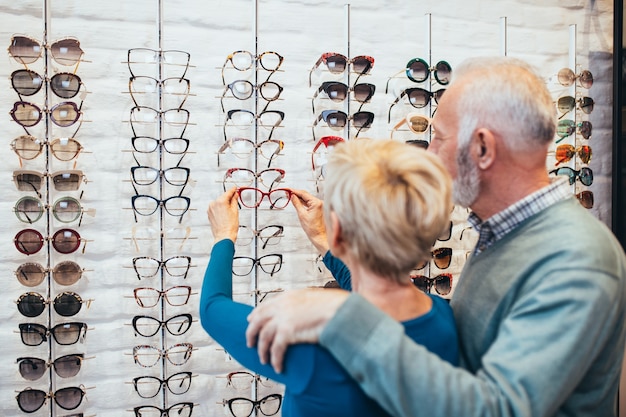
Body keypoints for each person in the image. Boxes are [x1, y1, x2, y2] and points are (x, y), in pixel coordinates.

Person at [245, 56, 626, 417]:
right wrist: (333, 247)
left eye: (439, 138)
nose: (428, 153)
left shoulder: (575, 258)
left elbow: (496, 410)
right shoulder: (505, 233)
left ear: (482, 148)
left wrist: (346, 316)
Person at [200, 139, 459, 417]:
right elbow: (376, 286)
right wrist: (323, 239)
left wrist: (224, 236)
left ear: (340, 233)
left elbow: (213, 308)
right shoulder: (443, 318)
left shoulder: (315, 345)